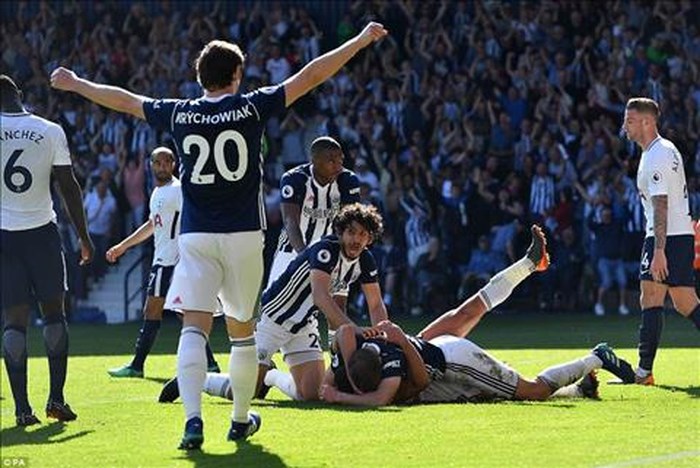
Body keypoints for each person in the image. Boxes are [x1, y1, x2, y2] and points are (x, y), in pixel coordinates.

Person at [50, 22, 388, 448]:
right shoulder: (251, 107)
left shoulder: (179, 112)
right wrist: (358, 41)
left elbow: (125, 100)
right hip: (245, 236)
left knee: (194, 329)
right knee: (241, 331)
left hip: (196, 236)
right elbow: (311, 75)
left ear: (198, 78)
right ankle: (240, 419)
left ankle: (193, 421)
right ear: (237, 75)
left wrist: (77, 83)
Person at [319, 226, 636, 406]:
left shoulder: (377, 379)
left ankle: (597, 357)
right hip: (424, 347)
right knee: (469, 312)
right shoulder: (354, 349)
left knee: (533, 390)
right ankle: (528, 264)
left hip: (451, 358)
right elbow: (348, 333)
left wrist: (332, 393)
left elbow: (385, 396)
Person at [158, 203, 388, 404]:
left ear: (370, 238)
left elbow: (376, 304)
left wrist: (383, 334)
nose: (356, 239)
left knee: (311, 394)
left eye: (363, 234)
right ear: (340, 232)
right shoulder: (326, 250)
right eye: (351, 232)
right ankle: (195, 379)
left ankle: (270, 376)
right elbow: (321, 297)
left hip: (303, 325)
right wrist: (354, 331)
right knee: (244, 393)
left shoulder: (365, 260)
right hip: (273, 318)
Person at [1, 74, 94, 426]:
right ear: (20, 95)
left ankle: (22, 409)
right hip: (42, 232)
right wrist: (83, 236)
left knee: (14, 320)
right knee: (54, 314)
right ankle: (56, 399)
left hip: (4, 235)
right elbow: (69, 187)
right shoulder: (49, 129)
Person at [104, 147, 220, 378]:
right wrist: (123, 246)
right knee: (182, 313)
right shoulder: (158, 193)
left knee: (156, 311)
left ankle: (137, 366)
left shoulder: (177, 190)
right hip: (165, 260)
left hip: (172, 262)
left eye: (167, 162)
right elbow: (152, 225)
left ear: (174, 165)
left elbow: (193, 218)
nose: (162, 166)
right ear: (151, 165)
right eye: (158, 162)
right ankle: (210, 363)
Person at [620, 97, 700, 385]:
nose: (624, 127)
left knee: (651, 297)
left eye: (629, 120)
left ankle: (643, 372)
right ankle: (644, 372)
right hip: (676, 234)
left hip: (666, 237)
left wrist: (659, 250)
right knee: (684, 302)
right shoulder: (659, 151)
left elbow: (661, 204)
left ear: (646, 121)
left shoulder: (657, 155)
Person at [268, 135, 360, 288]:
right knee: (271, 305)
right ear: (314, 161)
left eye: (340, 160)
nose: (338, 166)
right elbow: (290, 221)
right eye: (331, 161)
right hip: (292, 250)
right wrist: (304, 256)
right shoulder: (294, 179)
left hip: (326, 252)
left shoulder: (348, 180)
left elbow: (348, 222)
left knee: (325, 305)